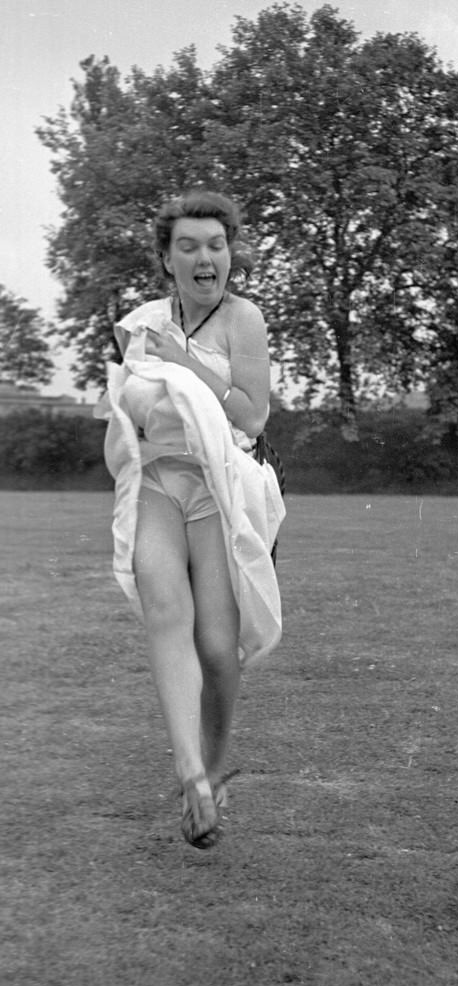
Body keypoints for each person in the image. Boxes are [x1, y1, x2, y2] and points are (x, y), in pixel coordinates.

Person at [95, 190, 285, 849]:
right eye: (189, 247)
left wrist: (182, 365)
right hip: (156, 480)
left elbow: (253, 416)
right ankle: (191, 780)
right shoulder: (141, 321)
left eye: (216, 245)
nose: (206, 257)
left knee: (216, 649)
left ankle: (213, 759)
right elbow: (122, 407)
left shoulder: (244, 320)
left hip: (221, 486)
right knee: (166, 612)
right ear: (166, 260)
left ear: (229, 254)